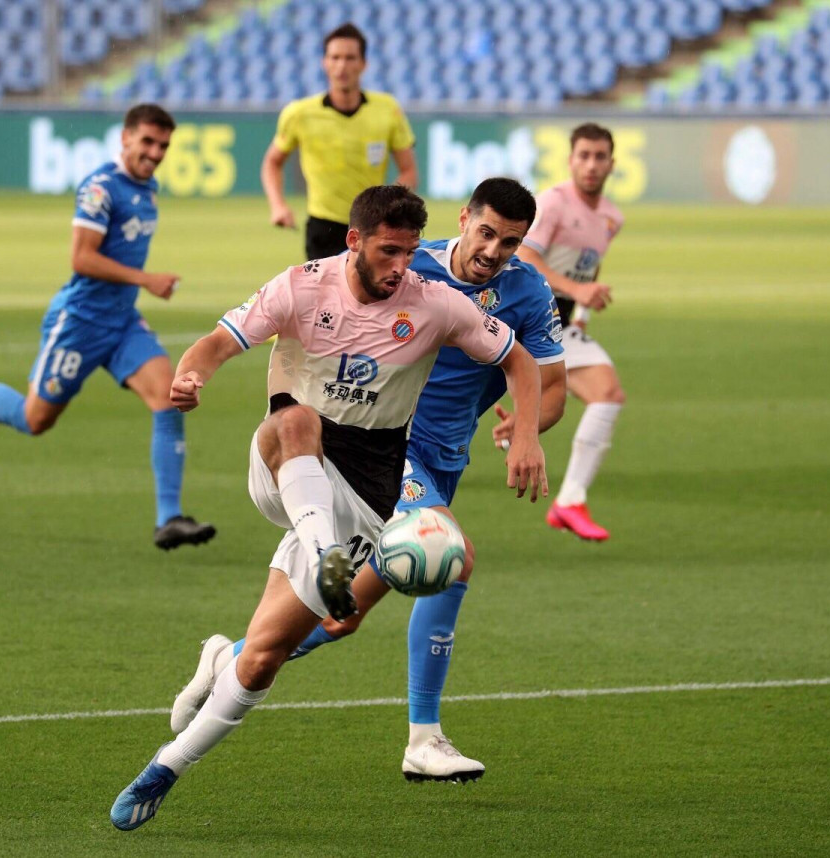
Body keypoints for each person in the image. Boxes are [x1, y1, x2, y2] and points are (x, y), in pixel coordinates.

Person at [110, 185, 548, 830]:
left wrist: (529, 434)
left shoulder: (435, 304)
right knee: (297, 419)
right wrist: (190, 375)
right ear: (354, 241)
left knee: (263, 657)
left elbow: (521, 364)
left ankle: (167, 764)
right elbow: (215, 344)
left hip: (364, 498)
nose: (401, 266)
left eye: (408, 253)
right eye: (388, 251)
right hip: (289, 464)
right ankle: (331, 568)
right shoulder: (300, 286)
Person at [0, 104, 215, 551]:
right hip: (80, 322)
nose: (155, 153)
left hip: (122, 321)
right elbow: (82, 258)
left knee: (168, 397)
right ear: (126, 138)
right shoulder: (99, 188)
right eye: (148, 142)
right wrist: (145, 279)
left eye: (163, 146)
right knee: (34, 419)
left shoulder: (147, 188)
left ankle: (168, 518)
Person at [517, 123, 626, 542]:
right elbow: (526, 257)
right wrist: (578, 290)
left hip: (559, 322)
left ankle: (569, 500)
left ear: (612, 164)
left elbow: (589, 267)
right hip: (525, 317)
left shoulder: (612, 218)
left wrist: (582, 314)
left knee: (605, 394)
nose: (591, 165)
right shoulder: (553, 204)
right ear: (570, 160)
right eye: (584, 156)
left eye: (600, 157)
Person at [261, 22, 418, 260]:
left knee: (377, 285)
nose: (342, 66)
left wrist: (389, 206)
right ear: (324, 62)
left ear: (363, 63)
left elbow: (409, 170)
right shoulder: (300, 113)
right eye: (335, 57)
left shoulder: (387, 110)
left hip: (372, 225)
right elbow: (272, 162)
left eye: (350, 58)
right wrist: (278, 205)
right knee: (326, 286)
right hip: (323, 227)